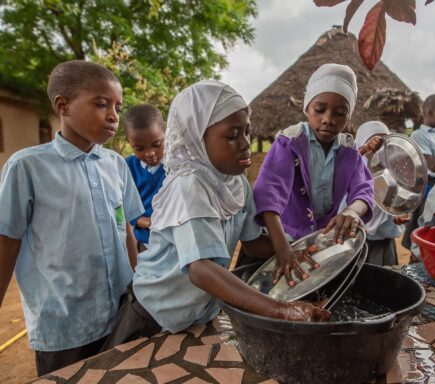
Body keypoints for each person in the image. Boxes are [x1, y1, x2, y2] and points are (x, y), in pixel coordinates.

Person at [100, 80, 330, 351]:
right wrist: (281, 310)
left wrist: (294, 249)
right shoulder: (189, 185)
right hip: (155, 314)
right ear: (197, 137)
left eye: (247, 131)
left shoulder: (235, 184)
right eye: (232, 135)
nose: (245, 144)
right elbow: (201, 270)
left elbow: (253, 243)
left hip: (198, 312)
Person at [0, 60, 144, 376]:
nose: (113, 116)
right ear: (62, 106)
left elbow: (127, 229)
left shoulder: (116, 165)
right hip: (63, 322)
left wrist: (138, 285)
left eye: (118, 108)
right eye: (101, 104)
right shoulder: (27, 167)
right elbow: (7, 242)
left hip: (120, 311)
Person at [253, 63, 374, 286]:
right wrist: (283, 250)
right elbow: (267, 197)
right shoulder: (289, 143)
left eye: (340, 113)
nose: (329, 119)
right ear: (307, 108)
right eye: (320, 110)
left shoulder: (350, 151)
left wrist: (352, 211)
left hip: (318, 243)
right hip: (280, 240)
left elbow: (364, 190)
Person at [401, 94, 435, 259]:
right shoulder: (418, 135)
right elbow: (431, 165)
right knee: (424, 225)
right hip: (428, 187)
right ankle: (415, 262)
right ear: (429, 112)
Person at [354, 121, 410, 265]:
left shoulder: (392, 170)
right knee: (357, 272)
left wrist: (397, 215)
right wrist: (365, 148)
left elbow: (394, 201)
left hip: (382, 238)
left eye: (382, 141)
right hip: (355, 237)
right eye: (372, 140)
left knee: (383, 274)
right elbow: (348, 161)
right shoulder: (353, 167)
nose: (377, 146)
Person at [124, 104, 166, 251]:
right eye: (140, 148)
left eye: (156, 144)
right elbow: (123, 206)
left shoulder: (177, 166)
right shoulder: (127, 167)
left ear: (165, 133)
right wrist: (142, 221)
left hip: (174, 242)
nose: (150, 153)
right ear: (129, 142)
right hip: (144, 244)